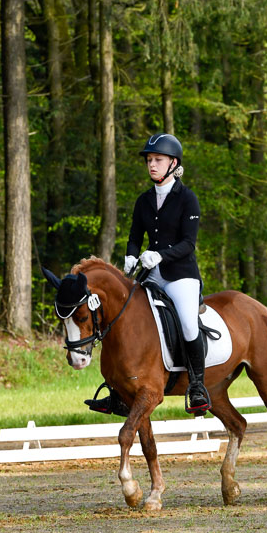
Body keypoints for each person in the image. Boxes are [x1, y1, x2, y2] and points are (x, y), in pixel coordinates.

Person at [85, 133, 211, 417]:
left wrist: (161, 255)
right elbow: (134, 237)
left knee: (189, 325)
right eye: (149, 160)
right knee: (126, 316)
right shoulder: (143, 201)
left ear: (173, 163)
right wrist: (131, 254)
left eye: (158, 160)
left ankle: (198, 387)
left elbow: (188, 244)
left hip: (181, 275)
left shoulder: (187, 199)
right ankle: (118, 390)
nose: (152, 165)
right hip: (151, 274)